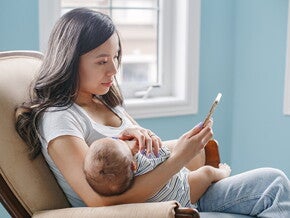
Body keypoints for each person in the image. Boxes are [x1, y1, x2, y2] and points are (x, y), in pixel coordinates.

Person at [15, 7, 290, 217]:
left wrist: (187, 144)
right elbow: (98, 201)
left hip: (181, 191)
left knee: (273, 182)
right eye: (101, 61)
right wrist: (179, 157)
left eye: (116, 58)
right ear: (70, 61)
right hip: (160, 210)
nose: (113, 70)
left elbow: (147, 158)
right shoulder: (60, 118)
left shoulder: (105, 100)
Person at [84, 137, 231, 208]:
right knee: (206, 173)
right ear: (133, 166)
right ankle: (223, 172)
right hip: (185, 192)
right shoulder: (144, 163)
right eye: (121, 142)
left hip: (167, 202)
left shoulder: (123, 182)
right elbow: (165, 153)